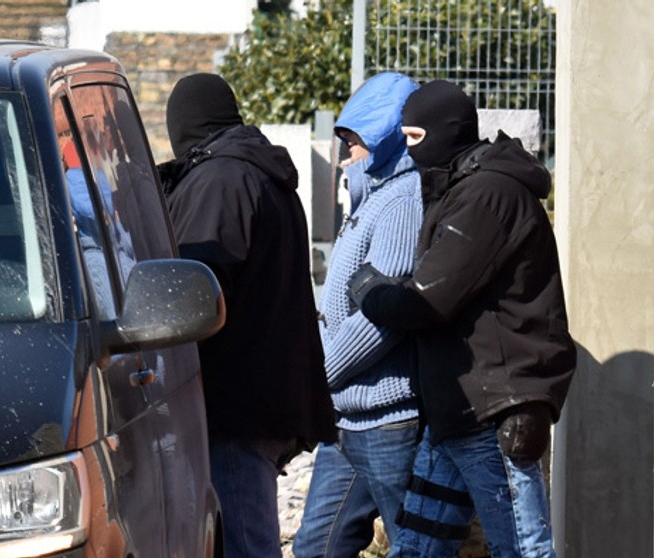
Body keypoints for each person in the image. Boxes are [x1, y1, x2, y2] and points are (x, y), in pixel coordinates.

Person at [346, 80, 577, 557]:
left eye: (415, 138)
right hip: (460, 409)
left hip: (493, 411)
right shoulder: (464, 187)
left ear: (446, 131)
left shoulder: (487, 195)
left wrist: (369, 290)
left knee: (522, 550)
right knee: (417, 548)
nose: (410, 152)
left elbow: (426, 302)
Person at [158, 72, 338, 558]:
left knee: (244, 542)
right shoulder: (257, 174)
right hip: (261, 394)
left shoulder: (221, 181)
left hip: (234, 403)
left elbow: (190, 292)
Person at [293, 71, 423, 558]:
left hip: (390, 423)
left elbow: (383, 316)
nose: (346, 152)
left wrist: (319, 373)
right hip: (347, 419)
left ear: (385, 137)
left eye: (355, 140)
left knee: (416, 549)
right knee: (316, 548)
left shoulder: (403, 201)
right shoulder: (372, 199)